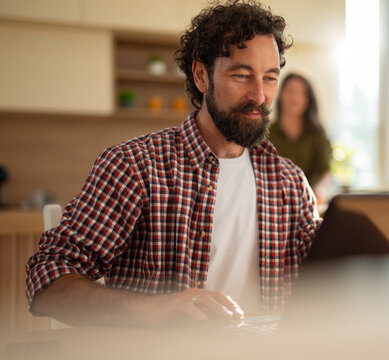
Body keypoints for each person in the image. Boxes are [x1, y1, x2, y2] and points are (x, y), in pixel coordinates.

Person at [25, 0, 321, 327]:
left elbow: (333, 272)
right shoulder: (135, 166)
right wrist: (149, 310)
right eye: (241, 74)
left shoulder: (290, 181)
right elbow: (48, 276)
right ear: (201, 76)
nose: (259, 95)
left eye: (269, 78)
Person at [268, 73, 332, 202]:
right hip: (273, 202)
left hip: (309, 203)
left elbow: (325, 174)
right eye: (290, 91)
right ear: (280, 95)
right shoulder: (267, 133)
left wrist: (318, 194)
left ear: (308, 100)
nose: (295, 97)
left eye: (302, 93)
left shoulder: (317, 134)